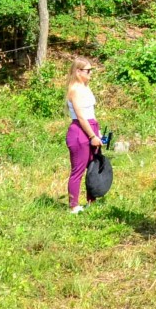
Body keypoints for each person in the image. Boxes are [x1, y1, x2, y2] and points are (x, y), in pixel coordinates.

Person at [63, 57, 104, 214]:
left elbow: (91, 113)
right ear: (78, 71)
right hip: (80, 131)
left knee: (92, 167)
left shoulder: (85, 87)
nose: (90, 73)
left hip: (91, 127)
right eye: (88, 71)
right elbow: (81, 117)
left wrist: (97, 132)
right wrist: (92, 136)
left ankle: (91, 201)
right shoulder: (74, 90)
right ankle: (73, 206)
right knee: (78, 170)